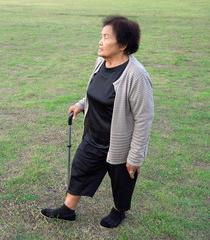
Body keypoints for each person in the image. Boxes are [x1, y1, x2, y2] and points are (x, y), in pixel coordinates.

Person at [41, 15, 154, 228]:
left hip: (120, 142)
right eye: (100, 36)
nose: (100, 42)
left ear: (122, 44)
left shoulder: (136, 76)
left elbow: (144, 118)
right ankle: (68, 210)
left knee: (122, 181)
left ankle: (119, 211)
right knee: (80, 168)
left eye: (105, 37)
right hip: (95, 134)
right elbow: (97, 93)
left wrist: (136, 155)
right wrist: (81, 104)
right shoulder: (101, 62)